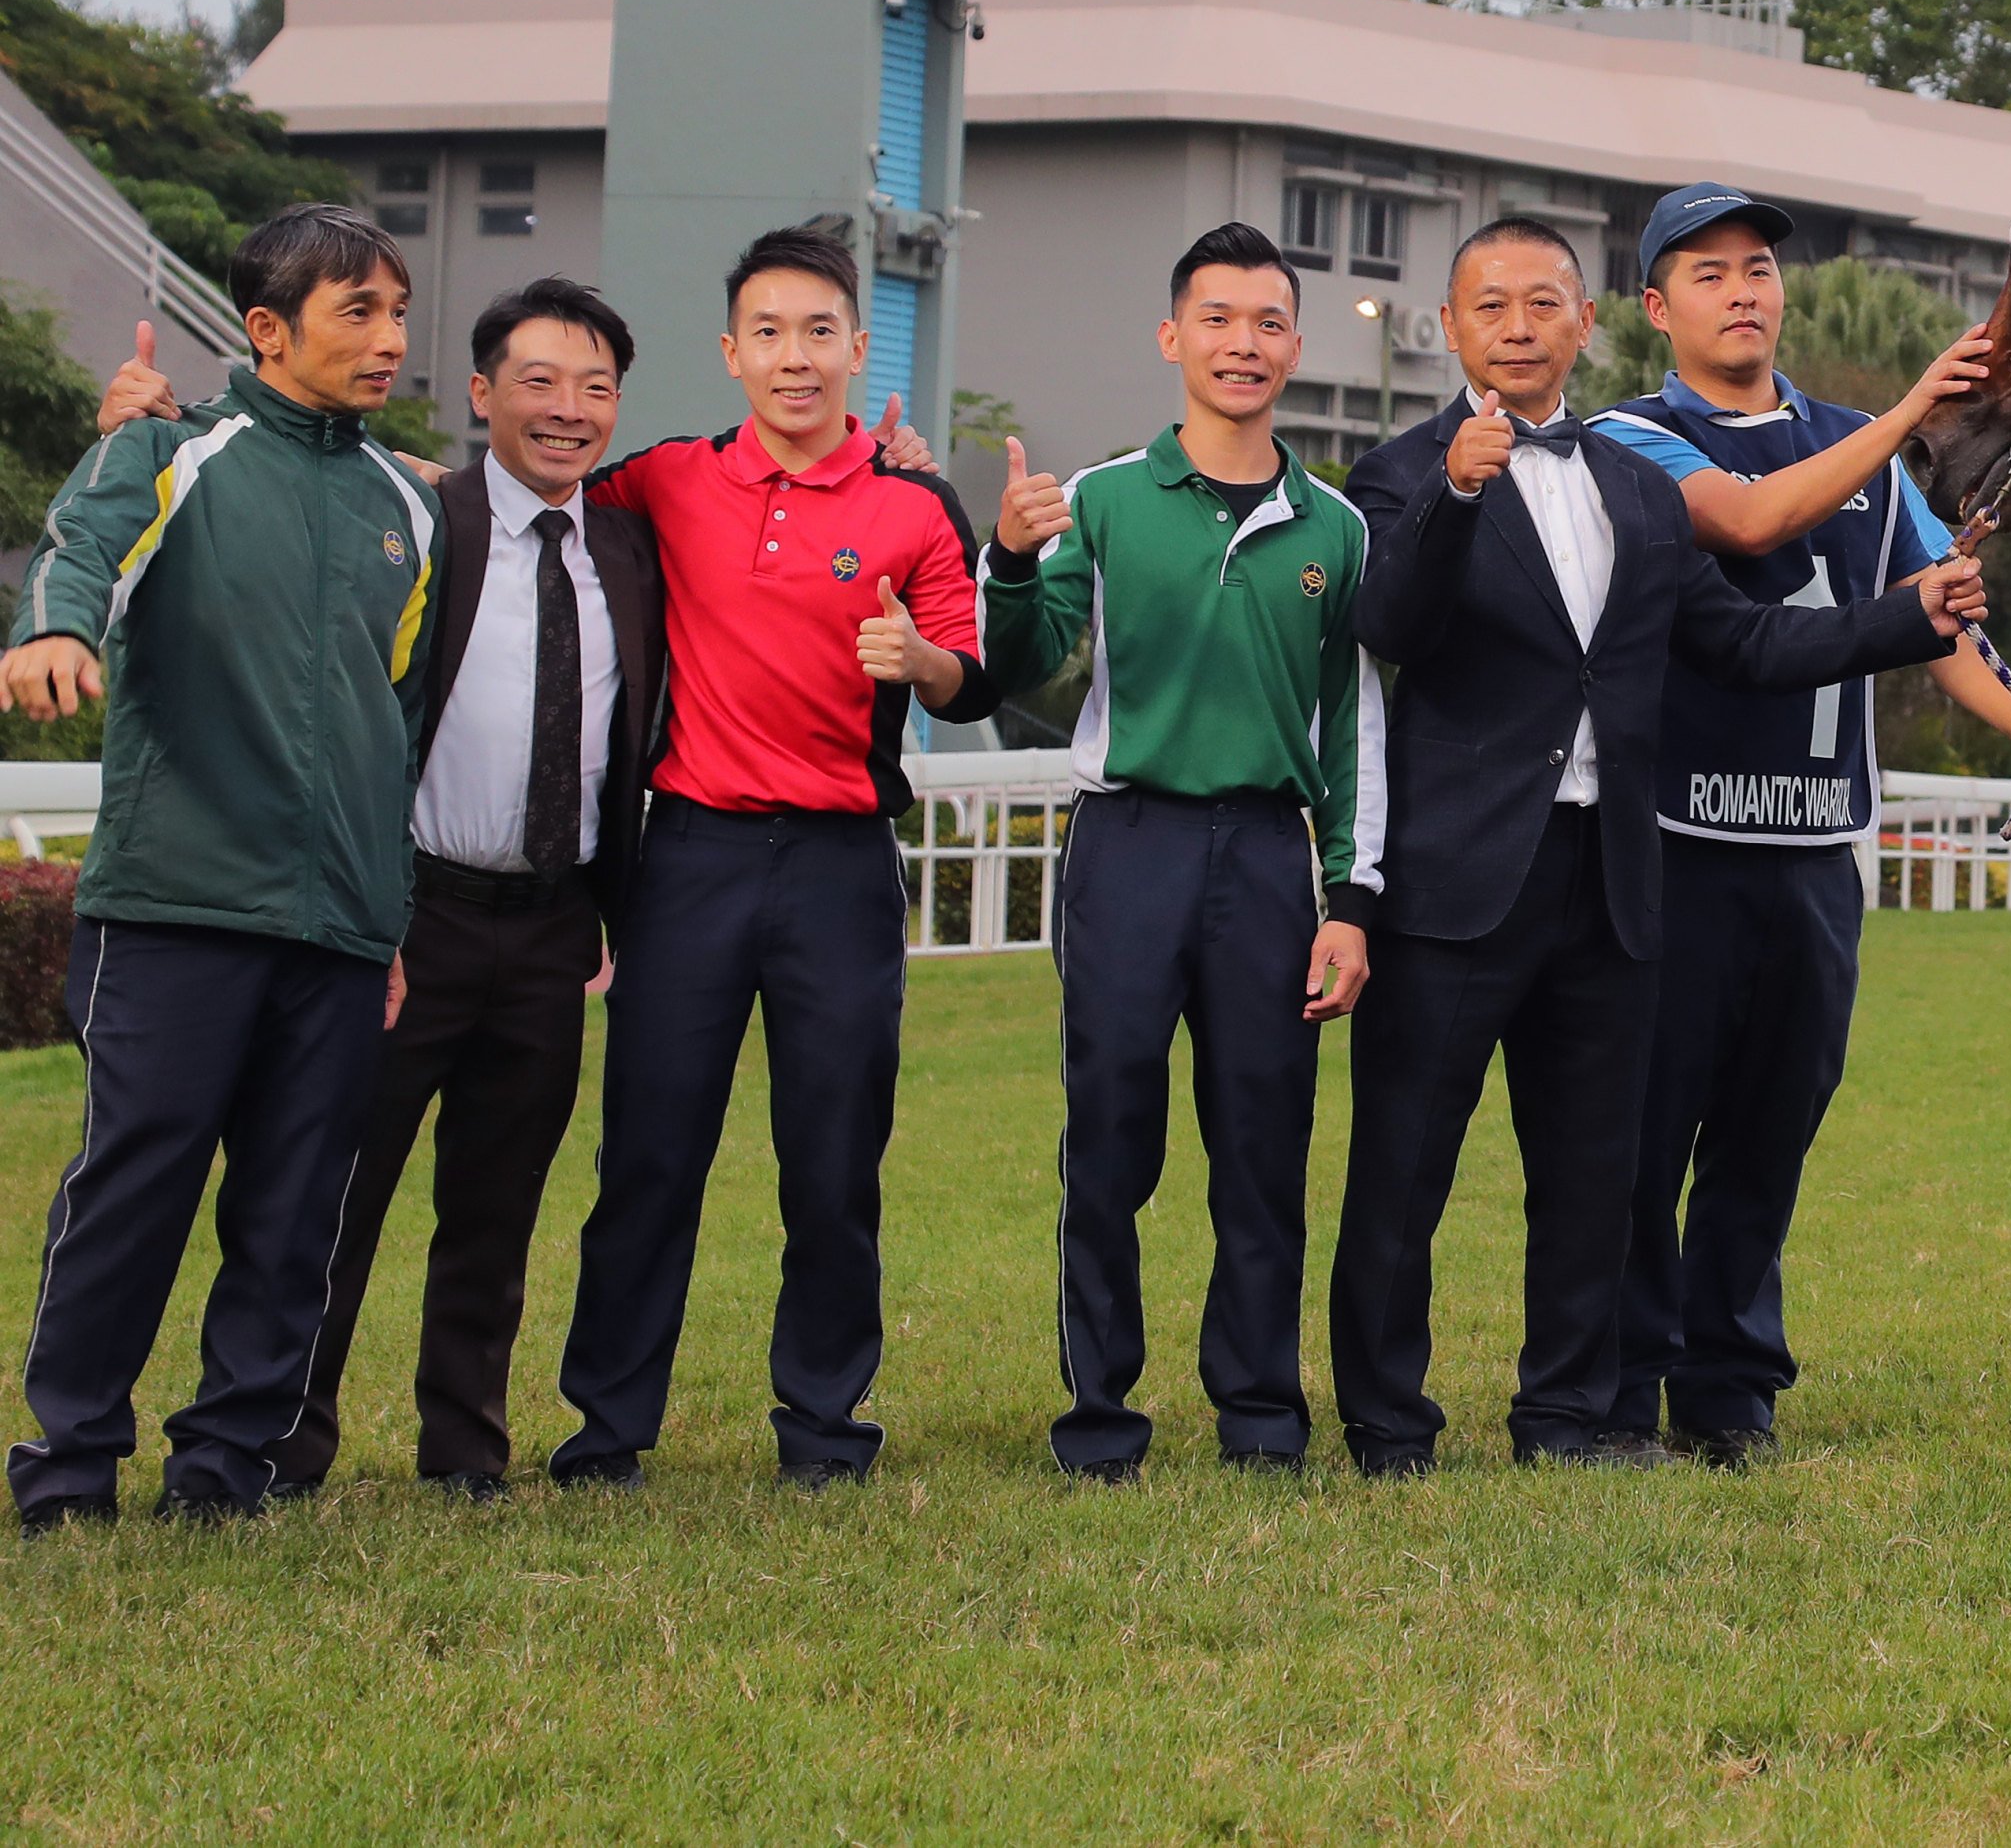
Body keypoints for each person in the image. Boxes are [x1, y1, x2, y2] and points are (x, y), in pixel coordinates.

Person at [1331, 216, 1988, 1473]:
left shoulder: (1640, 482)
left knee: (1590, 1172)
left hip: (1615, 878)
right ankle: (1386, 1422)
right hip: (1454, 882)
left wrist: (1901, 620)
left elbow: (1740, 644)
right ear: (1455, 328)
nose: (1518, 326)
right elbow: (1395, 622)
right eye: (1491, 307)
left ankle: (1570, 1416)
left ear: (1586, 323)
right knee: (1404, 1165)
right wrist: (1459, 490)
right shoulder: (1398, 472)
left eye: (1542, 303)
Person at [1587, 183, 2011, 1466]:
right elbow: (1756, 519)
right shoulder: (1629, 439)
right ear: (1655, 307)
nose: (1743, 289)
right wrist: (1916, 409)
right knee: (1651, 1137)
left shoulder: (1852, 442)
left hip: (1814, 855)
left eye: (1757, 266)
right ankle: (1623, 1381)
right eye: (1708, 273)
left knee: (1770, 1129)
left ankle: (1730, 1389)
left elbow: (1937, 621)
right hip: (1678, 846)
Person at [544, 226, 997, 1490]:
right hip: (685, 856)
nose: (794, 359)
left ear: (859, 348)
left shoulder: (913, 505)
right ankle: (608, 1426)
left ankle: (823, 1427)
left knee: (834, 1157)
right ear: (731, 352)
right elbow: (531, 479)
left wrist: (924, 664)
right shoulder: (666, 479)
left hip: (841, 864)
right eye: (769, 334)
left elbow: (972, 678)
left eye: (819, 333)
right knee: (647, 1153)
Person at [4, 206, 437, 1529]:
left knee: (295, 1208)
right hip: (180, 903)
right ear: (267, 326)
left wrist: (393, 914)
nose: (389, 342)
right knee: (137, 1185)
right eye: (357, 312)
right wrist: (49, 639)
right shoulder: (168, 452)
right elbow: (77, 553)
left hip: (342, 921)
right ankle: (69, 1470)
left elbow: (390, 719)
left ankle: (226, 1470)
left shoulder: (405, 504)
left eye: (397, 313)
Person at [983, 222, 1381, 1481]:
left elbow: (1350, 725)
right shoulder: (1099, 498)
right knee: (1110, 1134)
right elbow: (1027, 657)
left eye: (1267, 322)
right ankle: (1099, 1416)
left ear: (1297, 345)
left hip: (1267, 853)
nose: (1242, 343)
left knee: (1262, 1144)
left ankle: (1261, 1416)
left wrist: (1346, 895)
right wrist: (1005, 556)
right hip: (1129, 843)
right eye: (1217, 319)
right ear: (1173, 337)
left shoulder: (1337, 526)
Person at [277, 281, 664, 1503]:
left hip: (551, 926)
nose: (568, 410)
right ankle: (283, 1438)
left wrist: (903, 462)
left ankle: (463, 1452)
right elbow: (289, 453)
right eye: (539, 382)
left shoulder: (629, 546)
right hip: (410, 918)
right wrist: (154, 420)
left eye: (595, 387)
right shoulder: (417, 514)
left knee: (495, 1208)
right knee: (337, 1191)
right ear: (484, 393)